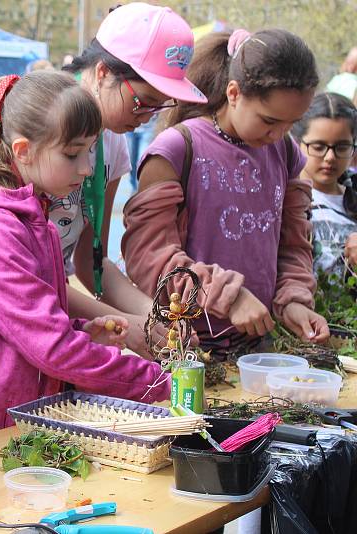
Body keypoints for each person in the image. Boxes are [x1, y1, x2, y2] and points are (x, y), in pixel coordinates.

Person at [0, 71, 170, 454]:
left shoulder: (27, 212)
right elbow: (52, 349)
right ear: (23, 150)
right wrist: (159, 382)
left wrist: (80, 331)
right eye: (73, 153)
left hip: (13, 431)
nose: (87, 168)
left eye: (92, 150)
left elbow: (18, 330)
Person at [123, 29, 330, 359]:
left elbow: (294, 246)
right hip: (183, 350)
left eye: (293, 123)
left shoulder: (286, 152)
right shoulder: (176, 150)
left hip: (259, 349)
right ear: (234, 93)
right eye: (269, 120)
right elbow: (150, 259)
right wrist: (228, 297)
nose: (279, 134)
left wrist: (293, 299)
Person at [53, 3, 208, 359]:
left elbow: (92, 264)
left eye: (160, 106)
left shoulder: (113, 145)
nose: (147, 117)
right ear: (104, 72)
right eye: (143, 102)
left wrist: (156, 319)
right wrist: (121, 320)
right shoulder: (43, 132)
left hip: (53, 315)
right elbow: (23, 275)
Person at [291, 92, 357, 276]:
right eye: (318, 147)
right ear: (297, 143)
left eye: (341, 147)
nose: (330, 158)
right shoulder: (285, 199)